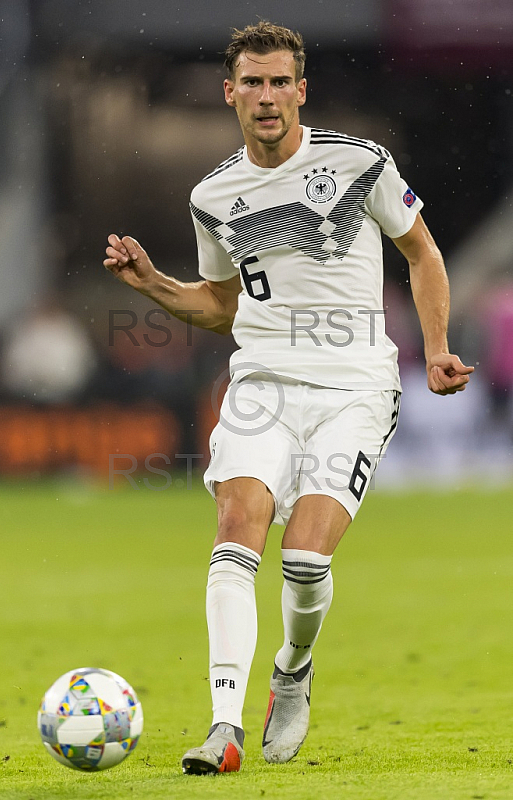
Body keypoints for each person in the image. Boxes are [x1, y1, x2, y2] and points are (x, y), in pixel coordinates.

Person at [103, 21, 474, 775]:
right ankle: (223, 726)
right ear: (230, 91)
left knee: (304, 561)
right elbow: (220, 304)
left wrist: (435, 349)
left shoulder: (359, 163)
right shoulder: (213, 195)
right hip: (261, 383)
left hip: (354, 388)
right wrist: (155, 288)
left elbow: (423, 252)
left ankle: (293, 670)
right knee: (237, 527)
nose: (267, 97)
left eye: (280, 82)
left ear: (300, 90)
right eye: (253, 82)